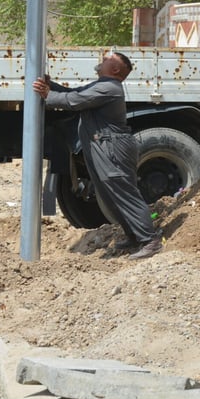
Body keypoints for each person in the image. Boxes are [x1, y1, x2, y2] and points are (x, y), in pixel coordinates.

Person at [32, 51, 163, 259]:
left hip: (112, 148)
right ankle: (134, 236)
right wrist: (53, 86)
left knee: (124, 193)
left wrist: (48, 95)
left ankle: (150, 240)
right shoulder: (102, 85)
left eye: (107, 59)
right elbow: (75, 92)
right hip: (103, 146)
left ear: (116, 69)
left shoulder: (108, 88)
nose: (102, 60)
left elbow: (74, 101)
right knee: (111, 195)